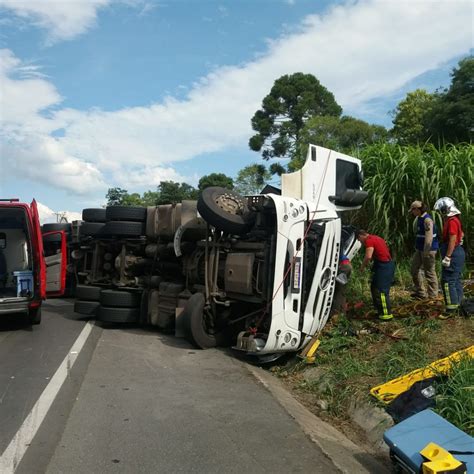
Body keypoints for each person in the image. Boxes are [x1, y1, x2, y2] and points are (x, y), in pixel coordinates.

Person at [433, 197, 465, 319]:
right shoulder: (455, 219)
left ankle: (451, 309)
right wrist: (460, 239)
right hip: (457, 252)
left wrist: (448, 256)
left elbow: (452, 238)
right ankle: (458, 304)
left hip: (453, 253)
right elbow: (460, 234)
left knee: (447, 281)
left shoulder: (451, 220)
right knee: (455, 279)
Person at [356, 229, 395, 321]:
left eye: (358, 239)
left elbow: (368, 256)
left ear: (361, 236)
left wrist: (362, 267)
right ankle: (379, 310)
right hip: (384, 265)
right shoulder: (376, 237)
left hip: (384, 266)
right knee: (374, 287)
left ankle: (386, 315)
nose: (359, 241)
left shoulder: (369, 240)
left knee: (381, 291)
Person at [408, 201, 439, 300]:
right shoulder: (420, 218)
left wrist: (426, 253)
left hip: (428, 250)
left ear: (417, 209)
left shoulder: (427, 220)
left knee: (429, 273)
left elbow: (429, 239)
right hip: (420, 249)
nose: (412, 213)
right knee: (414, 270)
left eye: (412, 210)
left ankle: (433, 297)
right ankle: (421, 292)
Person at [330, 253, 352, 318]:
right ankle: (342, 313)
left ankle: (335, 314)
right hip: (347, 266)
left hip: (344, 268)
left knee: (337, 291)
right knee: (342, 291)